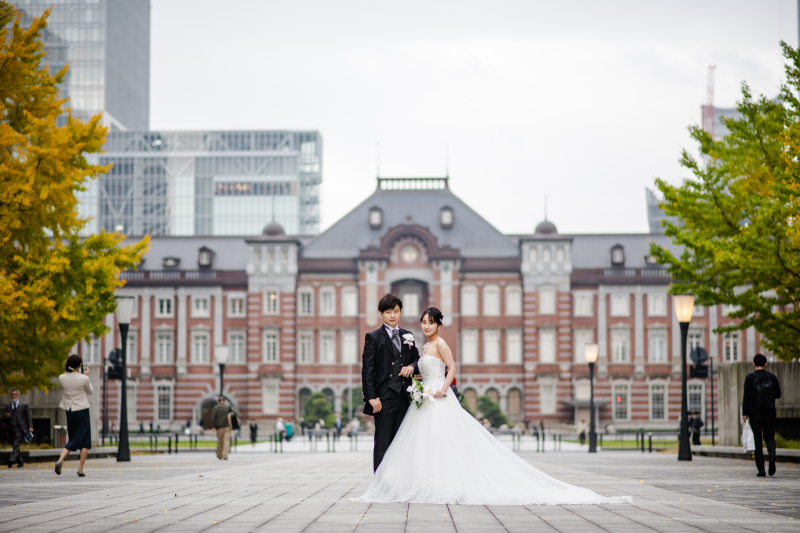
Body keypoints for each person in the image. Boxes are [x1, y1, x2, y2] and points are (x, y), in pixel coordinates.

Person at [355, 307, 632, 505]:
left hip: (439, 398)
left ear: (439, 324)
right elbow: (416, 366)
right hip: (422, 400)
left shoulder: (439, 344)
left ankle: (442, 483)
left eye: (430, 322)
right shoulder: (421, 346)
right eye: (424, 322)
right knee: (420, 444)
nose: (426, 326)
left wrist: (442, 387)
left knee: (445, 442)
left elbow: (451, 368)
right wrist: (415, 380)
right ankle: (398, 484)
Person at [360, 293, 421, 472]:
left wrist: (411, 367)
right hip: (383, 397)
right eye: (388, 312)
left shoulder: (408, 335)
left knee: (402, 441)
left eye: (396, 311)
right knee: (383, 441)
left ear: (400, 312)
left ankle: (398, 481)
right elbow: (367, 370)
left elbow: (418, 360)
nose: (392, 315)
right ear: (381, 314)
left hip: (405, 396)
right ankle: (380, 483)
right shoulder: (373, 337)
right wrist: (372, 398)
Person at [742, 353, 782, 477]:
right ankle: (772, 458)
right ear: (766, 364)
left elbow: (746, 397)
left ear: (754, 364)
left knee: (757, 441)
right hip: (769, 413)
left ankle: (761, 469)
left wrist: (745, 413)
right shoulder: (772, 377)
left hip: (755, 414)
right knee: (770, 438)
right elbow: (778, 395)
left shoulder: (750, 378)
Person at [54, 354, 93, 477]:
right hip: (82, 409)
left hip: (69, 410)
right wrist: (86, 376)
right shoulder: (83, 379)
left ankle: (61, 459)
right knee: (85, 440)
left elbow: (68, 377)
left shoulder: (62, 377)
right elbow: (90, 391)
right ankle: (79, 468)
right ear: (80, 365)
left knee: (73, 437)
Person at [5, 388, 33, 468]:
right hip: (11, 428)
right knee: (15, 446)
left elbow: (28, 417)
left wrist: (30, 427)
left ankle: (11, 460)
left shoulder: (23, 405)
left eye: (15, 395)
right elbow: (6, 418)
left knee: (16, 444)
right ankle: (20, 461)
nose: (13, 396)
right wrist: (7, 416)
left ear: (18, 396)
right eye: (12, 395)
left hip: (20, 428)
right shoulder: (8, 406)